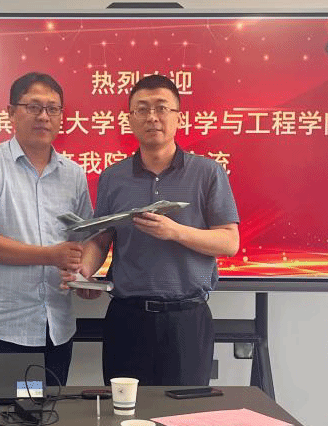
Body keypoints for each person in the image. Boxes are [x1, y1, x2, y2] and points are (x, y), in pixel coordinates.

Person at [66, 74, 240, 386]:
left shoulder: (207, 173)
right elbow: (102, 238)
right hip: (127, 318)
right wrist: (84, 272)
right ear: (130, 119)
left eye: (161, 108)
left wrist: (176, 232)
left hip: (187, 319)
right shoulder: (113, 177)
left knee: (185, 410)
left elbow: (229, 241)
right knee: (125, 409)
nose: (152, 117)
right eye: (142, 109)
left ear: (178, 118)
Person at [0, 71, 92, 385]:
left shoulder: (74, 175)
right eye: (33, 107)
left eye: (52, 109)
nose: (43, 116)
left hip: (56, 329)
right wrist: (50, 255)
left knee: (49, 410)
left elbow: (83, 241)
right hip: (0, 329)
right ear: (11, 112)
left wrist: (85, 277)